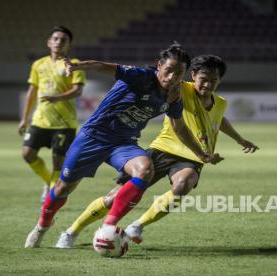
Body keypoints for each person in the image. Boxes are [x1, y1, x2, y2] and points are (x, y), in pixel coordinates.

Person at [24, 44, 223, 248]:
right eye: (169, 70)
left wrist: (202, 154)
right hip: (93, 137)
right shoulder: (141, 76)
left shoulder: (174, 96)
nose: (172, 77)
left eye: (178, 73)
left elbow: (180, 128)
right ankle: (42, 226)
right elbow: (105, 66)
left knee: (145, 170)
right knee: (64, 188)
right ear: (159, 66)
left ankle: (108, 227)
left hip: (123, 143)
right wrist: (79, 67)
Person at [54, 55, 259, 248]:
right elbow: (155, 79)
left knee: (182, 185)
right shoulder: (179, 88)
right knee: (113, 198)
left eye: (213, 80)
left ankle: (137, 225)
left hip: (192, 156)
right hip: (162, 149)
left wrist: (239, 139)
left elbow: (219, 119)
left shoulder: (220, 102)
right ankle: (72, 231)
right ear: (193, 74)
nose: (207, 84)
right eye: (203, 79)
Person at [19, 26, 86, 202]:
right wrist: (24, 119)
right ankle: (49, 182)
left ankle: (50, 195)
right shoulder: (38, 64)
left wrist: (57, 98)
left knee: (58, 161)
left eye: (63, 40)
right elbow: (31, 92)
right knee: (27, 154)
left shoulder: (74, 64)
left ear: (68, 45)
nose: (58, 42)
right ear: (49, 42)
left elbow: (78, 90)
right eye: (55, 39)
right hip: (40, 120)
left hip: (64, 123)